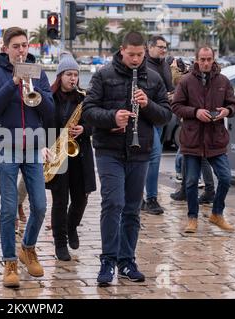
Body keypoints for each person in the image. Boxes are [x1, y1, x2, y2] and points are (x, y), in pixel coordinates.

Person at [82, 32, 171, 287]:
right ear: (122, 50)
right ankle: (108, 260)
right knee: (113, 203)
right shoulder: (103, 74)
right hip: (109, 150)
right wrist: (112, 117)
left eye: (139, 55)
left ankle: (127, 260)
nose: (135, 59)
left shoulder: (153, 78)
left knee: (132, 209)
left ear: (144, 51)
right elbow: (88, 110)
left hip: (140, 151)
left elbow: (165, 114)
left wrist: (147, 105)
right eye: (130, 54)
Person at [0, 27, 54, 288]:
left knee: (39, 205)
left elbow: (50, 111)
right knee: (8, 208)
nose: (22, 50)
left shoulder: (39, 73)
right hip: (7, 147)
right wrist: (13, 82)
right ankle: (10, 261)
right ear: (6, 48)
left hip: (34, 148)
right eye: (16, 46)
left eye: (25, 45)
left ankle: (28, 247)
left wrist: (33, 89)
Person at [171, 46, 235, 233]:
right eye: (203, 59)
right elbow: (176, 106)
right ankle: (192, 218)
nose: (206, 63)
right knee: (191, 182)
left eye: (209, 59)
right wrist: (195, 112)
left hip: (216, 139)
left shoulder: (223, 81)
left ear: (213, 58)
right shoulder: (186, 81)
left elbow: (233, 104)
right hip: (192, 139)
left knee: (225, 179)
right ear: (197, 59)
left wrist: (228, 111)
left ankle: (217, 213)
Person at [46, 53, 96, 261]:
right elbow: (42, 125)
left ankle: (71, 226)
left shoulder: (85, 99)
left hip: (79, 155)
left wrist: (84, 128)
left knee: (80, 200)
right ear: (60, 76)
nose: (73, 78)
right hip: (57, 154)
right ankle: (60, 244)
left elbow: (95, 122)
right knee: (59, 201)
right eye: (68, 74)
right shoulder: (49, 98)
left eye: (75, 74)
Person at [141, 36, 174, 215]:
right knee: (153, 156)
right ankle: (151, 198)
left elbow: (170, 87)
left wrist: (172, 95)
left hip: (161, 116)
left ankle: (141, 197)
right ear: (150, 47)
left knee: (151, 157)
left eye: (165, 47)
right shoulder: (144, 66)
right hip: (146, 118)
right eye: (160, 47)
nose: (163, 50)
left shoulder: (164, 65)